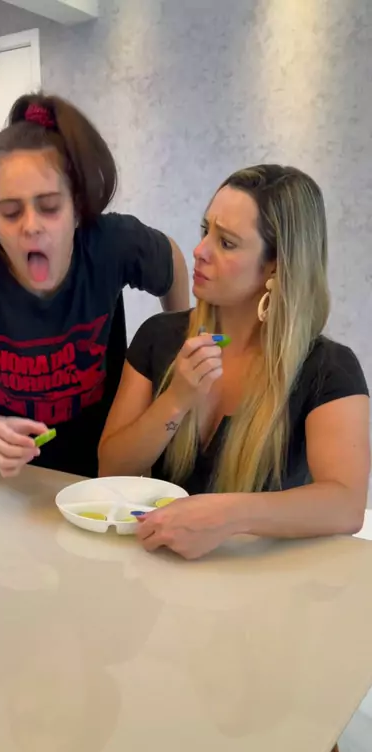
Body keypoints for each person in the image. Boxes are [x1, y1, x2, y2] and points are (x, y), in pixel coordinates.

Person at [0, 93, 189, 479]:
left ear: (76, 208)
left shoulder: (112, 243)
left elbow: (171, 262)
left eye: (50, 207)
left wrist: (179, 344)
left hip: (96, 456)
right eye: (10, 212)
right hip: (3, 469)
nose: (31, 226)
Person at [99, 164, 371, 559]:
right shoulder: (159, 336)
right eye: (204, 230)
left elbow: (346, 505)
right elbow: (110, 468)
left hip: (269, 584)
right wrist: (176, 400)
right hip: (161, 573)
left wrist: (228, 515)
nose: (199, 251)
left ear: (275, 265)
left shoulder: (329, 369)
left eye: (226, 243)